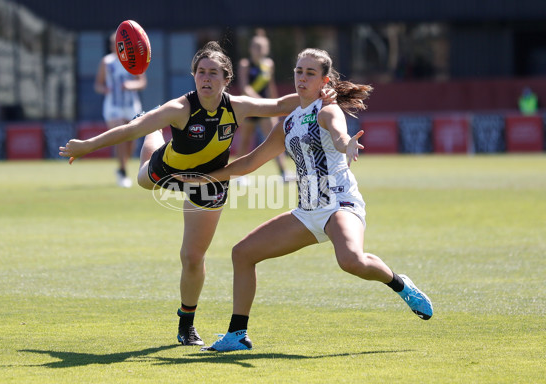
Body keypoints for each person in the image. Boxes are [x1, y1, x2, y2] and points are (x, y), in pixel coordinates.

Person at [59, 42, 335, 347]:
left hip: (210, 182)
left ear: (225, 79)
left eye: (213, 73)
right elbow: (128, 131)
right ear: (194, 76)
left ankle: (186, 324)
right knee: (143, 176)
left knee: (192, 257)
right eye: (201, 72)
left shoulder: (236, 106)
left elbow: (281, 104)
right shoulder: (179, 108)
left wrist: (325, 93)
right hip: (168, 170)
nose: (206, 78)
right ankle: (156, 133)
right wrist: (87, 146)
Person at [180, 48, 433, 352]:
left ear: (324, 80)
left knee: (351, 261)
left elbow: (339, 135)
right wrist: (208, 177)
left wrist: (347, 144)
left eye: (310, 73)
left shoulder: (328, 110)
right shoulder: (289, 122)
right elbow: (250, 162)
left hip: (339, 205)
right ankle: (237, 334)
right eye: (299, 71)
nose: (301, 78)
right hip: (307, 212)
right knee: (242, 254)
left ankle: (400, 284)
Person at [235, 29, 292, 184]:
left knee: (275, 139)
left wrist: (277, 104)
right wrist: (259, 100)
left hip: (266, 109)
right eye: (255, 47)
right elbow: (245, 87)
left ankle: (283, 173)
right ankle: (238, 176)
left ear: (266, 49)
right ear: (250, 49)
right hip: (250, 107)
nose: (258, 50)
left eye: (261, 47)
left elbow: (270, 86)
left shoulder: (268, 64)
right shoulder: (245, 64)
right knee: (245, 141)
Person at [94, 32, 147, 188]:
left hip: (131, 106)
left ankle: (121, 167)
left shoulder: (134, 60)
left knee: (131, 141)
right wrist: (105, 89)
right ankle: (123, 171)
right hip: (113, 106)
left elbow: (142, 82)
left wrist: (130, 86)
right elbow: (98, 84)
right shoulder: (107, 62)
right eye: (113, 44)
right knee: (121, 136)